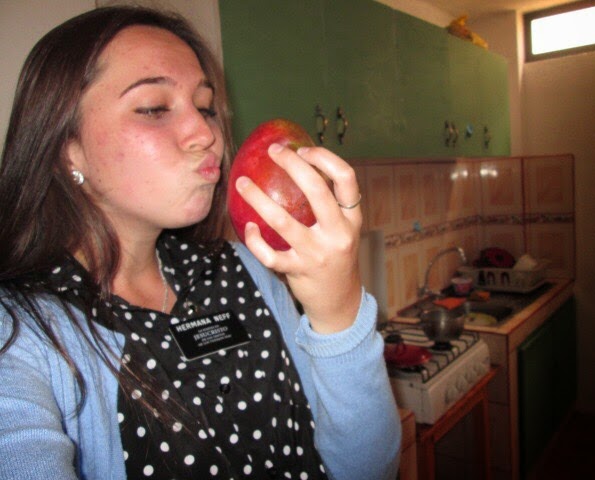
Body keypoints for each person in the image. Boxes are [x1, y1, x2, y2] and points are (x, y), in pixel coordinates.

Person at [0, 6, 401, 480]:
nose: (206, 134)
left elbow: (367, 470)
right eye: (154, 108)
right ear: (69, 150)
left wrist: (339, 312)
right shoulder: (19, 333)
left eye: (206, 107)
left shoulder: (244, 269)